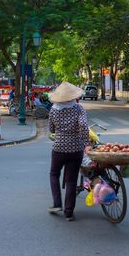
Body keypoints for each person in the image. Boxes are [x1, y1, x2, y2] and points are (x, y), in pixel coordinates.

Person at [48, 82, 92, 221]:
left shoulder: (54, 109)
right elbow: (84, 126)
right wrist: (87, 144)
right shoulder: (79, 108)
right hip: (76, 149)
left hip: (59, 148)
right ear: (74, 96)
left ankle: (57, 203)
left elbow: (51, 129)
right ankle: (68, 213)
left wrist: (60, 130)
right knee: (71, 181)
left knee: (54, 174)